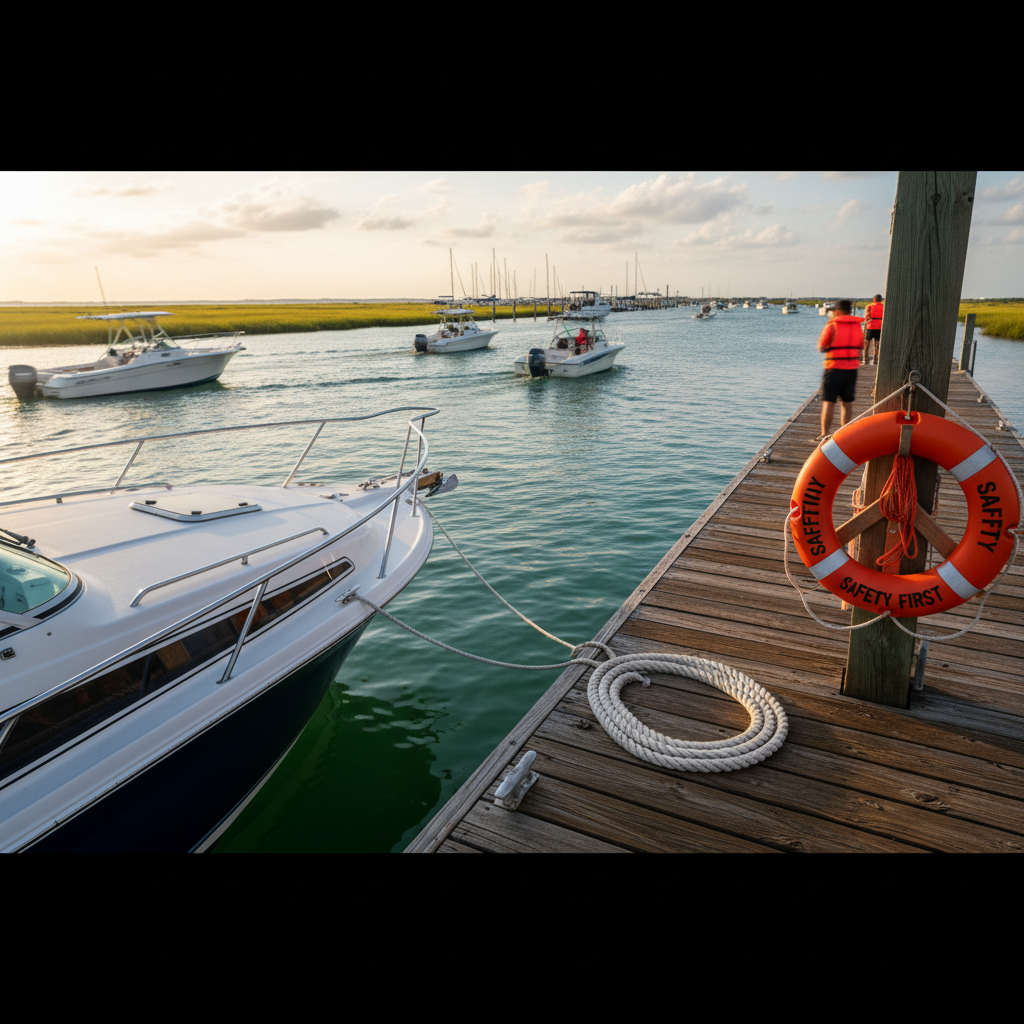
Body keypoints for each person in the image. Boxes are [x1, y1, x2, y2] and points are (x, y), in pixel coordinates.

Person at [817, 299, 864, 438]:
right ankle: (844, 435)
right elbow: (861, 345)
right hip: (851, 370)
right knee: (847, 403)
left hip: (834, 368)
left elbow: (821, 346)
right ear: (850, 310)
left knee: (829, 401)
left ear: (837, 311)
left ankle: (824, 434)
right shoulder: (857, 325)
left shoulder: (832, 325)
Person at [863, 294, 883, 365]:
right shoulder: (884, 307)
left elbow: (867, 316)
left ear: (874, 299)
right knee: (877, 342)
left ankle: (865, 357)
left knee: (867, 342)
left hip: (871, 325)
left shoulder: (869, 306)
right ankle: (876, 358)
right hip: (880, 326)